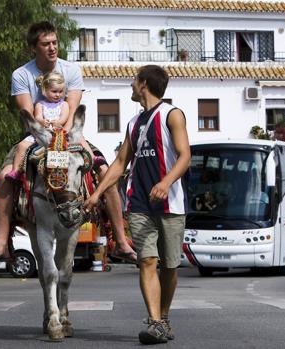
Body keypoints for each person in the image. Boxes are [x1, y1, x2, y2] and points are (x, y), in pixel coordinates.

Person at [0, 21, 136, 264]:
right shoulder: (21, 75)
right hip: (36, 135)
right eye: (46, 44)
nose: (52, 48)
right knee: (4, 177)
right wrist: (45, 133)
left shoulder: (71, 70)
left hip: (69, 133)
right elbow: (27, 113)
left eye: (54, 42)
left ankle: (119, 239)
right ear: (34, 48)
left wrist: (62, 136)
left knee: (106, 172)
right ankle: (1, 243)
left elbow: (71, 109)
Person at [84, 65, 191, 344]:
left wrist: (166, 183)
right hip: (139, 203)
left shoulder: (172, 115)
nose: (131, 85)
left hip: (171, 205)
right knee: (147, 261)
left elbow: (184, 155)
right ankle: (155, 321)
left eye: (134, 81)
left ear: (143, 84)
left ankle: (164, 317)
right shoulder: (134, 123)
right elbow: (120, 164)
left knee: (169, 266)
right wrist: (97, 194)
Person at [5, 71, 69, 182]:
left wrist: (58, 122)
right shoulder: (40, 104)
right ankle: (15, 171)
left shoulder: (64, 104)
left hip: (58, 135)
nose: (58, 94)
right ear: (45, 90)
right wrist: (42, 121)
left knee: (76, 147)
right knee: (22, 146)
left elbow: (64, 117)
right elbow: (37, 117)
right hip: (40, 134)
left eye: (60, 91)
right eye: (54, 91)